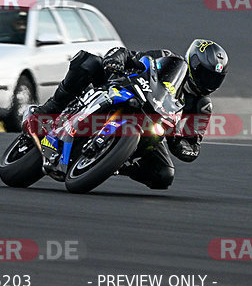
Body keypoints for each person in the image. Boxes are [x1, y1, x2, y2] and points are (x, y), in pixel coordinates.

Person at [22, 39, 229, 190]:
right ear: (192, 63)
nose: (208, 82)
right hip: (126, 93)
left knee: (164, 174)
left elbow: (192, 149)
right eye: (204, 74)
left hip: (151, 128)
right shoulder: (167, 59)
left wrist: (176, 139)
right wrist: (115, 61)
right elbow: (130, 55)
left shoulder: (201, 106)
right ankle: (47, 111)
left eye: (214, 78)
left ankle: (112, 161)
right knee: (87, 62)